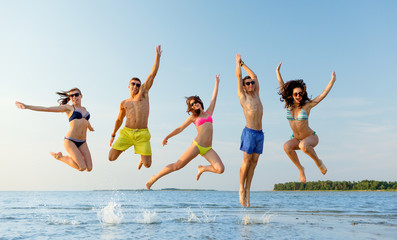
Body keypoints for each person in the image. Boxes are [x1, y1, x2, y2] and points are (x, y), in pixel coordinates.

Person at [145, 75, 225, 190]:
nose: (194, 105)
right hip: (197, 145)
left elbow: (214, 98)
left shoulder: (209, 112)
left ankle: (202, 168)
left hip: (208, 149)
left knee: (220, 169)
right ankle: (154, 177)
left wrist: (217, 83)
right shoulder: (193, 118)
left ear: (200, 102)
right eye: (191, 104)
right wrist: (168, 136)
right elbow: (180, 128)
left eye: (195, 102)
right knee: (177, 165)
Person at [276, 62, 336, 183]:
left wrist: (332, 81)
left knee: (303, 146)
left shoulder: (307, 106)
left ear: (303, 94)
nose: (298, 96)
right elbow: (282, 88)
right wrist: (278, 72)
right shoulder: (289, 105)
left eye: (300, 93)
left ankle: (319, 163)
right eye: (295, 94)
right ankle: (301, 169)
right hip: (296, 139)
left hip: (310, 137)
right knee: (286, 146)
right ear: (292, 95)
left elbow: (322, 94)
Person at [109, 45, 162, 170]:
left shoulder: (143, 93)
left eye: (138, 84)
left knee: (148, 165)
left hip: (142, 134)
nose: (136, 86)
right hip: (127, 133)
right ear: (128, 86)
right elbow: (119, 120)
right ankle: (129, 145)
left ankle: (140, 155)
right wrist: (113, 134)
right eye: (133, 84)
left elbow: (152, 74)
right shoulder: (124, 103)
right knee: (111, 158)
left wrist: (158, 56)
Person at [15, 88, 94, 171]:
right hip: (71, 141)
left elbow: (85, 121)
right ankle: (60, 157)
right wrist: (27, 106)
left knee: (89, 168)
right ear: (70, 98)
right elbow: (47, 109)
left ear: (81, 96)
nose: (74, 97)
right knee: (82, 167)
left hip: (83, 141)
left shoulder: (85, 110)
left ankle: (76, 158)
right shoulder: (69, 108)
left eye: (76, 95)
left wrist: (90, 128)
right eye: (71, 96)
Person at [235, 54, 264, 207]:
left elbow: (255, 75)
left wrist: (244, 64)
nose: (251, 84)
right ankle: (241, 189)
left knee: (254, 163)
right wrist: (238, 64)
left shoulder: (257, 95)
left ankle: (248, 190)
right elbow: (239, 76)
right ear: (244, 86)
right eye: (248, 83)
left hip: (260, 134)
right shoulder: (243, 96)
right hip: (249, 133)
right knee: (246, 162)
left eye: (252, 83)